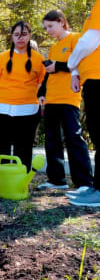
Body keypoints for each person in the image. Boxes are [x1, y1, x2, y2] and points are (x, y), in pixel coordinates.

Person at [0, 21, 46, 185]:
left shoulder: (38, 59)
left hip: (28, 108)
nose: (20, 38)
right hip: (4, 107)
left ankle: (21, 175)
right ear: (12, 36)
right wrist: (8, 93)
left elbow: (41, 83)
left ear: (29, 36)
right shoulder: (2, 57)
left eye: (24, 34)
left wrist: (27, 94)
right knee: (0, 142)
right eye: (17, 34)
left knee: (24, 144)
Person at [37, 10, 93, 190]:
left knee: (73, 138)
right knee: (52, 140)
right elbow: (49, 73)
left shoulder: (76, 38)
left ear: (61, 22)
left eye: (50, 26)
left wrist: (59, 66)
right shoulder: (54, 47)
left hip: (69, 97)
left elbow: (80, 62)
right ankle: (56, 180)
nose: (48, 31)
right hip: (51, 99)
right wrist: (42, 93)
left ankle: (84, 182)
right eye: (45, 28)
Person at [66, 0, 100, 207]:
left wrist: (70, 63)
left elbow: (90, 40)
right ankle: (96, 188)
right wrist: (77, 71)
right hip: (92, 77)